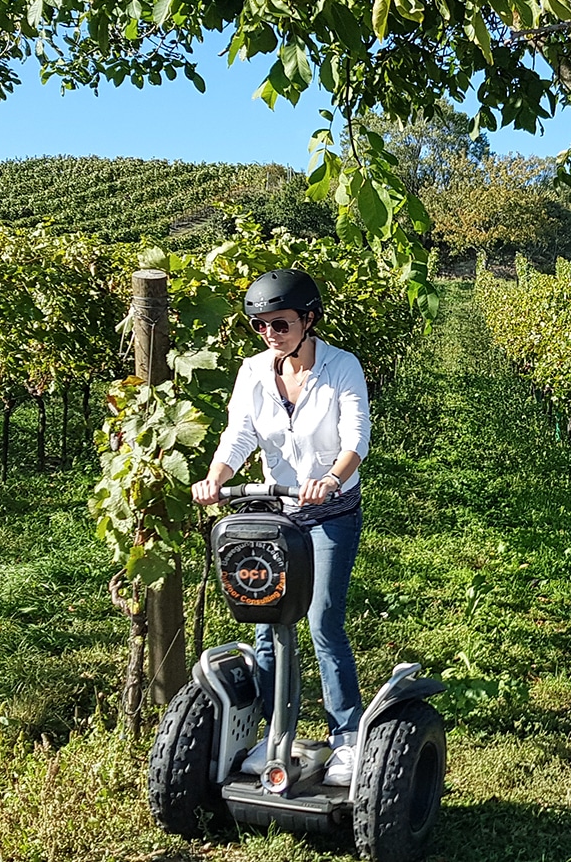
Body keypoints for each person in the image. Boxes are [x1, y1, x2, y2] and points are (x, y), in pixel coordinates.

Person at [191, 268, 370, 786]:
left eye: (281, 323)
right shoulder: (252, 371)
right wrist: (216, 476)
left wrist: (331, 479)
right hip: (276, 515)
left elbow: (356, 438)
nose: (271, 333)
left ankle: (346, 737)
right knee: (267, 625)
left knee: (322, 622)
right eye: (261, 325)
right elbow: (239, 434)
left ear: (309, 320)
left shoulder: (341, 367)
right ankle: (275, 736)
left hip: (330, 512)